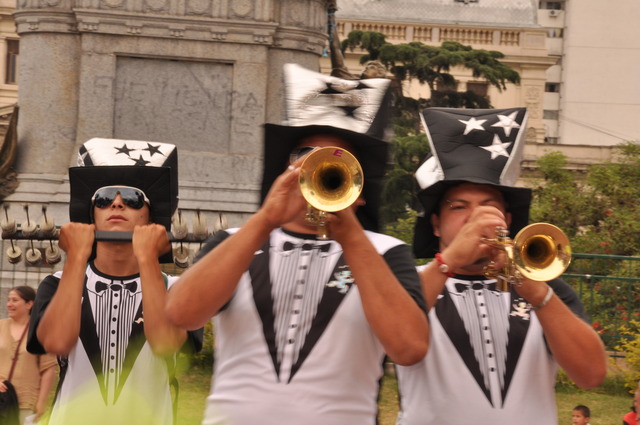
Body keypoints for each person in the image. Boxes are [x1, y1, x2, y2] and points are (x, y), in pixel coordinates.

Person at [166, 63, 429, 425]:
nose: (315, 168)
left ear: (360, 188)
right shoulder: (234, 241)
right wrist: (264, 220)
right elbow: (181, 314)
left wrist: (351, 235)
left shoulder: (385, 252)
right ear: (282, 172)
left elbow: (409, 348)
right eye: (305, 155)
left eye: (337, 163)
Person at [395, 107, 607, 425]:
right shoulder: (411, 282)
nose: (475, 218)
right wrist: (448, 262)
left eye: (488, 207)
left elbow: (591, 375)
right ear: (436, 224)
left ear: (506, 220)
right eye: (459, 207)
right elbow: (388, 341)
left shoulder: (546, 288)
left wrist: (533, 288)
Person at [26, 138, 202, 425]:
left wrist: (148, 258)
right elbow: (57, 341)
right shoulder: (56, 283)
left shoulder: (176, 288)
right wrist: (76, 258)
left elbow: (165, 343)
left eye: (132, 199)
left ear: (151, 217)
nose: (117, 203)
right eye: (104, 198)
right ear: (92, 214)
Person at [1, 286, 57, 424]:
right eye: (8, 300)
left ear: (29, 304)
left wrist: (41, 403)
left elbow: (48, 369)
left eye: (15, 300)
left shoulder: (40, 330)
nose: (9, 304)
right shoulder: (1, 326)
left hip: (26, 404)